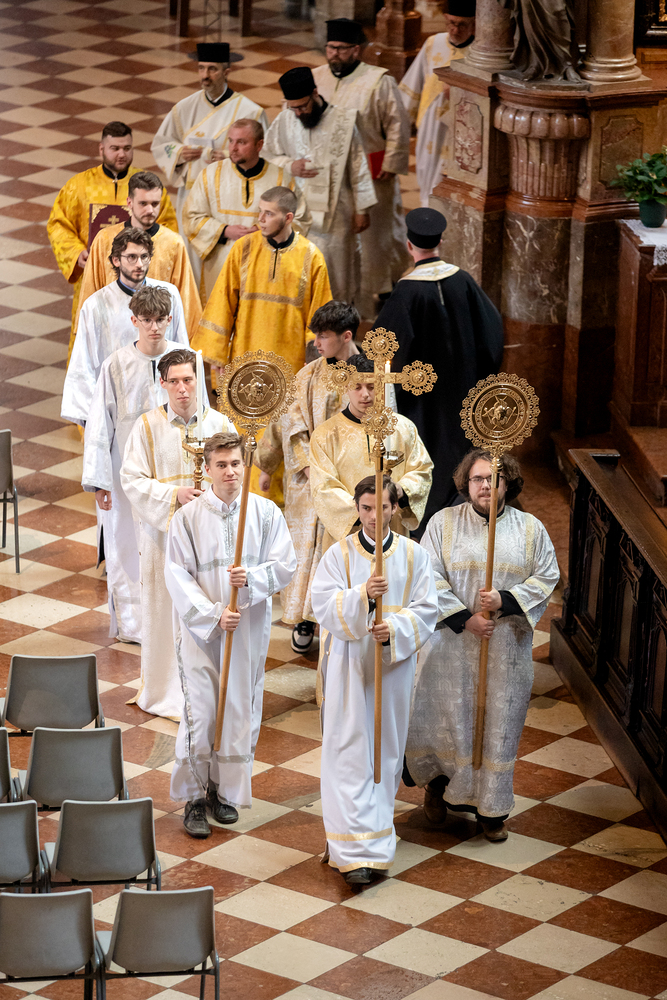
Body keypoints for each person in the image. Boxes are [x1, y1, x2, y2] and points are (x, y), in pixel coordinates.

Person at [404, 449, 559, 842]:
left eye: (494, 478)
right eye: (478, 479)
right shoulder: (443, 523)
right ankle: (437, 788)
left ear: (508, 483)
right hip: (450, 647)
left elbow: (547, 576)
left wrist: (505, 600)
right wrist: (464, 618)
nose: (486, 485)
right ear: (466, 483)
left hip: (505, 649)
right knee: (446, 721)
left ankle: (492, 810)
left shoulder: (530, 529)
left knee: (498, 727)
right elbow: (426, 574)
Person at [165, 432, 296, 837]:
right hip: (202, 635)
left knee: (238, 711)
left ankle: (222, 792)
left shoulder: (265, 513)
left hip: (247, 633)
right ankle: (193, 797)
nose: (230, 472)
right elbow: (176, 575)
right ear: (206, 469)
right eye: (221, 465)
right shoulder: (187, 519)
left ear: (244, 465)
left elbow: (286, 564)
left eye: (236, 464)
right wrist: (213, 615)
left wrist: (251, 579)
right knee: (202, 714)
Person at [311, 474, 437, 883]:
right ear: (357, 508)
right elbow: (322, 604)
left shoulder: (415, 556)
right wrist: (363, 595)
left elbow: (427, 609)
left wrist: (394, 629)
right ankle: (351, 852)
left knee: (384, 755)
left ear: (394, 508)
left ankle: (376, 844)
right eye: (365, 508)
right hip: (349, 669)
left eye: (381, 507)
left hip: (391, 672)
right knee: (347, 754)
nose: (373, 516)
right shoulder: (338, 555)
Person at [120, 349, 234, 720]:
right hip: (164, 539)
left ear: (198, 380)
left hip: (210, 539)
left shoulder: (220, 424)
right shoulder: (148, 426)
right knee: (165, 609)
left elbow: (236, 474)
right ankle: (167, 691)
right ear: (162, 383)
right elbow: (131, 479)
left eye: (188, 380)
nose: (182, 389)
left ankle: (210, 692)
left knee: (208, 605)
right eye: (174, 381)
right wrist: (174, 496)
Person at [374, 207, 503, 527]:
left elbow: (383, 349)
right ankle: (466, 517)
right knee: (464, 451)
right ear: (441, 241)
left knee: (430, 456)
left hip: (424, 402)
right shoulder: (464, 281)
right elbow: (493, 333)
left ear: (409, 245)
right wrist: (478, 375)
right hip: (466, 392)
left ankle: (431, 523)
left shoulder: (406, 292)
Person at [255, 301, 363, 654]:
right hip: (307, 479)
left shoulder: (371, 376)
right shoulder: (307, 375)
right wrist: (269, 466)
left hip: (349, 483)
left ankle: (340, 619)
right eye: (316, 335)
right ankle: (304, 617)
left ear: (346, 336)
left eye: (324, 336)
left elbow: (384, 426)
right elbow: (288, 421)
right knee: (303, 554)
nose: (316, 343)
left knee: (340, 551)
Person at [82, 287, 186, 645]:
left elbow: (200, 414)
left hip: (174, 471)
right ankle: (134, 626)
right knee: (125, 544)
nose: (154, 327)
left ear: (170, 319)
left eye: (160, 320)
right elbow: (100, 425)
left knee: (173, 545)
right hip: (126, 472)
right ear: (134, 321)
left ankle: (174, 622)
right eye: (146, 320)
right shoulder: (115, 365)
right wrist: (100, 481)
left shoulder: (185, 362)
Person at [47, 121, 177, 358]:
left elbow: (166, 228)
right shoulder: (78, 187)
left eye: (127, 148)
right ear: (102, 149)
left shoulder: (146, 186)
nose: (121, 154)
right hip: (96, 273)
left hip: (140, 277)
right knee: (95, 343)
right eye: (115, 148)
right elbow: (58, 224)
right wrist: (76, 253)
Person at [313, 19, 411, 318]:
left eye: (341, 49)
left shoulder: (379, 81)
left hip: (371, 170)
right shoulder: (316, 78)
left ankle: (381, 288)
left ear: (356, 50)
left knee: (377, 234)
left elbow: (398, 123)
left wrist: (392, 162)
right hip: (329, 175)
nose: (334, 54)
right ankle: (340, 288)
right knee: (338, 234)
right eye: (331, 48)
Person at [151, 42, 268, 286]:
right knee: (191, 261)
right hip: (193, 196)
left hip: (230, 199)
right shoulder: (184, 108)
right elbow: (161, 144)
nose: (205, 75)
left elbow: (266, 155)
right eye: (201, 68)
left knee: (227, 262)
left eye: (212, 69)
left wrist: (231, 156)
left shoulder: (250, 111)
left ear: (226, 72)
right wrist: (180, 152)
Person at [263, 66, 376, 305]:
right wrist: (290, 165)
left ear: (315, 93)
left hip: (337, 216)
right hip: (296, 214)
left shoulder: (344, 121)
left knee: (337, 272)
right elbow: (268, 154)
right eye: (293, 108)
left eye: (302, 107)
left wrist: (362, 209)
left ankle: (338, 320)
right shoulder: (285, 119)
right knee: (299, 273)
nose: (298, 113)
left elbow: (358, 166)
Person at [192, 186, 332, 375]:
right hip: (244, 357)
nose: (261, 219)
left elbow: (320, 314)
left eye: (269, 213)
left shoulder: (312, 257)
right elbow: (222, 301)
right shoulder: (243, 248)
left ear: (288, 218)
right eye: (260, 211)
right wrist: (217, 353)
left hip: (292, 363)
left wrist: (315, 360)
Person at [61, 228, 189, 428]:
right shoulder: (96, 305)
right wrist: (93, 418)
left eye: (144, 257)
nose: (139, 264)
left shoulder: (169, 295)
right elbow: (83, 362)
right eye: (131, 257)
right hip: (119, 408)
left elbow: (181, 349)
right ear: (116, 260)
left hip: (162, 404)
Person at [309, 354, 433, 553]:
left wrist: (401, 489)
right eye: (357, 387)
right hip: (349, 538)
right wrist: (364, 510)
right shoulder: (325, 435)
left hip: (393, 530)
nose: (365, 394)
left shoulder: (403, 428)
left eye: (371, 386)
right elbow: (323, 487)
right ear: (345, 387)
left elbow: (422, 470)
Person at [182, 119, 308, 304]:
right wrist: (225, 230)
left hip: (265, 267)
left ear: (259, 145)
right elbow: (191, 218)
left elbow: (300, 219)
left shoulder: (281, 178)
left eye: (241, 142)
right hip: (221, 267)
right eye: (231, 141)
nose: (233, 148)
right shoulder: (210, 175)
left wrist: (264, 232)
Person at [77, 171, 201, 334]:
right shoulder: (105, 239)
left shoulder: (173, 243)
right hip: (113, 333)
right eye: (143, 203)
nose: (150, 210)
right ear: (129, 202)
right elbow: (91, 290)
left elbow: (186, 299)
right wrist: (86, 332)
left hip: (157, 335)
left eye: (155, 204)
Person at [399, 0, 476, 205]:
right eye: (451, 23)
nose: (455, 29)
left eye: (462, 25)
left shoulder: (480, 52)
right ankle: (426, 209)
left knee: (452, 180)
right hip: (430, 123)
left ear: (474, 24)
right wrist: (400, 121)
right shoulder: (433, 43)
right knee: (426, 169)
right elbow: (414, 82)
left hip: (461, 128)